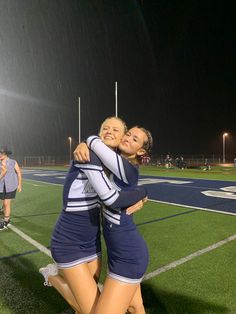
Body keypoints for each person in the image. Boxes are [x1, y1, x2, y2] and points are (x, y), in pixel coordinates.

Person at [39, 117, 148, 314]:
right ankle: (52, 276)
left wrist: (141, 194)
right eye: (105, 128)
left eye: (116, 129)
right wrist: (87, 140)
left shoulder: (117, 165)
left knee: (128, 305)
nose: (109, 131)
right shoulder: (89, 154)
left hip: (94, 241)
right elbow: (112, 198)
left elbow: (125, 185)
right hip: (69, 240)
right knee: (91, 309)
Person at [80, 126, 153, 314]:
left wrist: (86, 141)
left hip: (129, 255)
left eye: (135, 139)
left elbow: (94, 141)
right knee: (135, 307)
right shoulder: (114, 163)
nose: (128, 138)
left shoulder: (128, 169)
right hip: (116, 252)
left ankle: (52, 277)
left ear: (141, 151)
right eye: (128, 134)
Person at [0, 146, 22, 230]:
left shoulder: (13, 162)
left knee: (7, 203)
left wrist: (19, 184)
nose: (0, 155)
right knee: (4, 202)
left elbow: (19, 172)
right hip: (1, 186)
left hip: (11, 186)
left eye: (2, 153)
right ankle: (2, 209)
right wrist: (3, 172)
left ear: (6, 154)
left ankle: (6, 220)